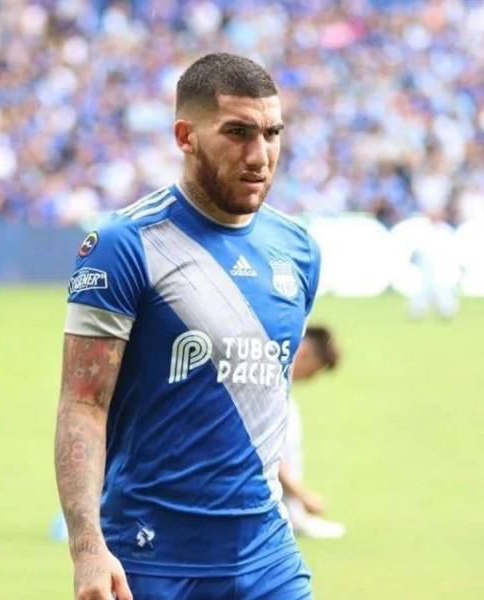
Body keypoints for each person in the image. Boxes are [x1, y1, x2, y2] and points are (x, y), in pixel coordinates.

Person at [54, 53, 321, 600]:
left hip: (268, 558)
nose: (260, 155)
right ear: (186, 136)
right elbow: (82, 404)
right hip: (150, 559)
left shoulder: (298, 251)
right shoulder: (124, 245)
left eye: (272, 133)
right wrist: (86, 548)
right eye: (238, 133)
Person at [280, 326, 345, 539]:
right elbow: (267, 456)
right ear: (304, 353)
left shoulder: (286, 399)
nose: (310, 378)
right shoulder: (272, 400)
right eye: (314, 371)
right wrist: (303, 496)